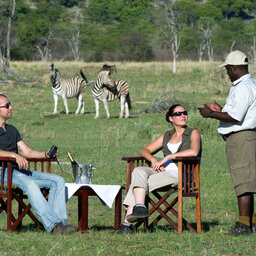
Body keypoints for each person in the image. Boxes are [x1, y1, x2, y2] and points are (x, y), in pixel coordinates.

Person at [114, 104, 201, 234]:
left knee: (138, 185)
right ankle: (140, 207)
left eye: (185, 113)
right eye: (178, 114)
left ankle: (127, 224)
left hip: (180, 174)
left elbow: (194, 151)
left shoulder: (193, 133)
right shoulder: (167, 135)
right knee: (139, 171)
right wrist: (153, 160)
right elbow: (145, 150)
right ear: (171, 118)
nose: (183, 116)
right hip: (162, 172)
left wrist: (170, 157)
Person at [198, 50, 256, 236]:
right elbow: (238, 113)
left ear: (234, 68)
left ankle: (243, 225)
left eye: (228, 70)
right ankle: (251, 223)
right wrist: (221, 109)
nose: (227, 74)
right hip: (246, 137)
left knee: (243, 182)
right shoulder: (249, 84)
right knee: (247, 180)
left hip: (241, 139)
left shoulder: (243, 87)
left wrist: (212, 114)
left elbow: (234, 117)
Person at [0, 94, 76, 234]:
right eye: (7, 105)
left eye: (10, 104)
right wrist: (13, 154)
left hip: (18, 171)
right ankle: (53, 226)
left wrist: (45, 154)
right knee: (30, 184)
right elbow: (14, 154)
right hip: (2, 171)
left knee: (58, 181)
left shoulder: (12, 130)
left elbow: (27, 152)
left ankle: (60, 224)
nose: (11, 107)